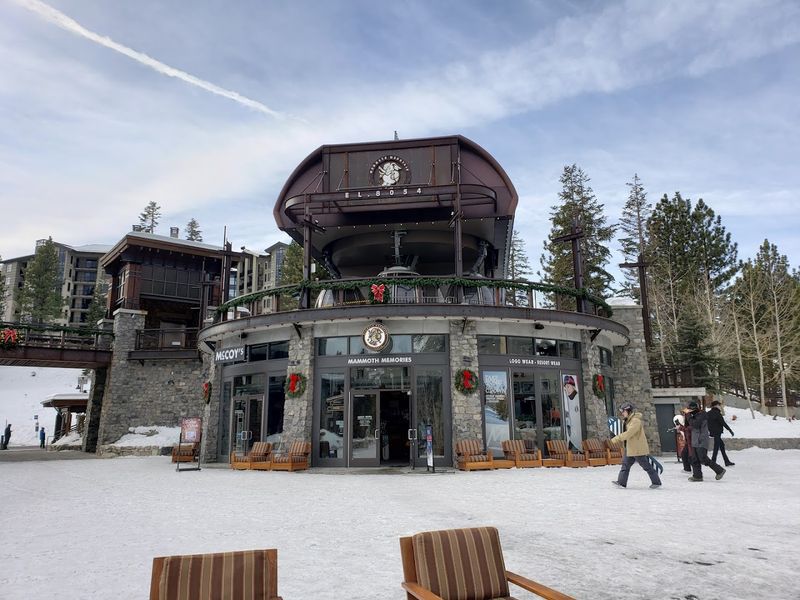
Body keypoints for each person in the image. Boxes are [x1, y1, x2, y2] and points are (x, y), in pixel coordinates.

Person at [610, 403, 662, 489]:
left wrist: (617, 438)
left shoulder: (635, 421)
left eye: (623, 411)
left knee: (646, 466)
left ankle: (656, 482)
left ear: (628, 411)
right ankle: (621, 482)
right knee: (625, 465)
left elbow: (629, 433)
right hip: (630, 448)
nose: (622, 413)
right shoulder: (628, 420)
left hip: (637, 449)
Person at [686, 401, 726, 482]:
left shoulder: (702, 415)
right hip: (695, 440)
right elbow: (688, 425)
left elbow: (695, 424)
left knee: (703, 459)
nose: (689, 412)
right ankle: (697, 476)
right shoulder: (694, 415)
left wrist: (689, 416)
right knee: (695, 459)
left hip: (701, 440)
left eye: (690, 410)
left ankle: (719, 470)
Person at [708, 400, 735, 466]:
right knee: (716, 447)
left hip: (712, 432)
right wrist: (730, 430)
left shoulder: (708, 413)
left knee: (721, 446)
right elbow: (723, 423)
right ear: (716, 405)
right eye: (719, 405)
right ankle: (713, 462)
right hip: (717, 432)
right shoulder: (717, 413)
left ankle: (726, 461)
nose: (720, 406)